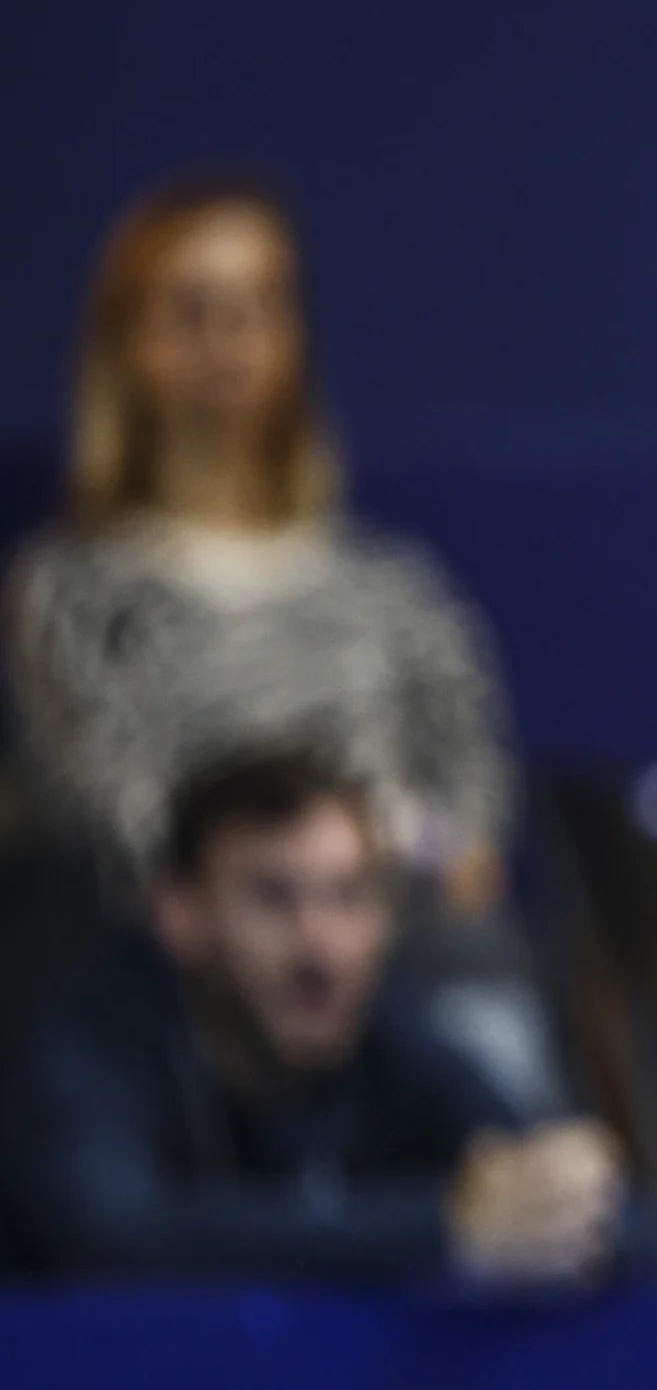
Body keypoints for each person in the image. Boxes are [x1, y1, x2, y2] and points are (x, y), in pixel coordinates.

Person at [5, 175, 549, 1106]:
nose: (225, 347)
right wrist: (266, 891)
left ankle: (523, 1186)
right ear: (126, 343)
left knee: (480, 966)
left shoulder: (393, 587)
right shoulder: (69, 590)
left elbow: (470, 795)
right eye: (190, 313)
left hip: (394, 938)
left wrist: (363, 891)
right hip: (183, 948)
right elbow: (100, 794)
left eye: (255, 310)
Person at [0, 747, 631, 1285]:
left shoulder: (387, 1033)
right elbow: (111, 1238)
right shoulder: (92, 1035)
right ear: (180, 914)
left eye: (348, 895)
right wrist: (446, 1227)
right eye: (274, 898)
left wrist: (563, 1199)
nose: (320, 947)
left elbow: (630, 1228)